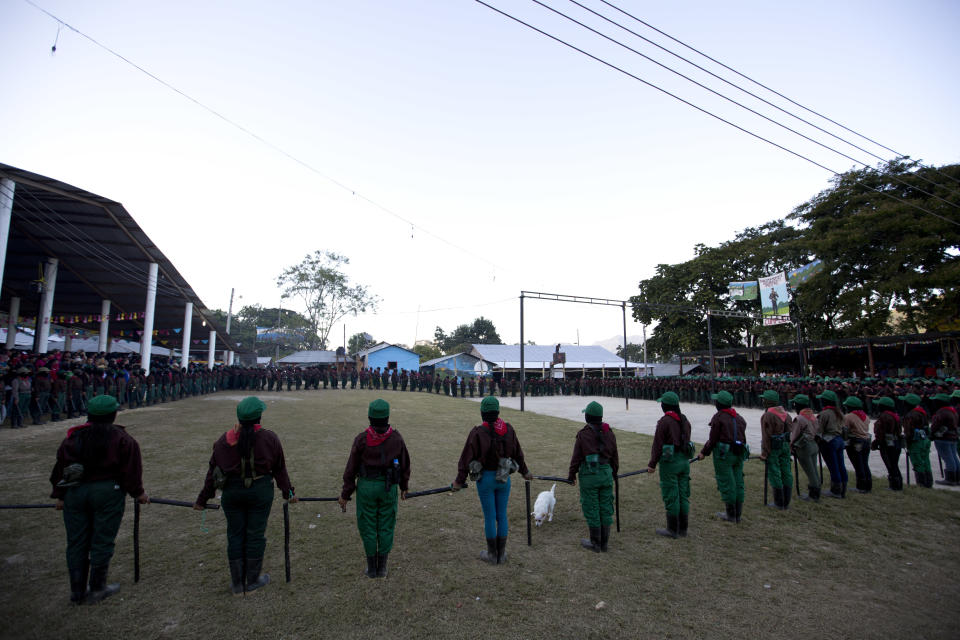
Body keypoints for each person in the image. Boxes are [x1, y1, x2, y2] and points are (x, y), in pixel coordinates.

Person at [49, 395, 148, 605]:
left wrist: (59, 496)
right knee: (102, 540)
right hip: (107, 493)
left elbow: (60, 469)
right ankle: (97, 589)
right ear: (113, 415)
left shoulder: (73, 438)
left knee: (76, 542)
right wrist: (138, 493)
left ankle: (77, 592)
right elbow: (130, 471)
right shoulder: (122, 439)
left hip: (75, 493)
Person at [194, 397, 296, 595]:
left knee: (235, 534)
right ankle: (253, 579)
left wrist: (202, 500)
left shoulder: (224, 441)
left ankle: (237, 583)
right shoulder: (269, 438)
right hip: (259, 492)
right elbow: (280, 470)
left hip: (232, 493)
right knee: (255, 534)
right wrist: (289, 493)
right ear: (259, 417)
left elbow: (212, 474)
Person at [453, 396, 531, 565]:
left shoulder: (477, 432)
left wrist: (459, 482)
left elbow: (466, 459)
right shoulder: (508, 430)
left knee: (490, 517)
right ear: (498, 412)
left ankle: (491, 554)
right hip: (503, 478)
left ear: (482, 413)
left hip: (486, 479)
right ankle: (501, 555)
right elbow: (518, 454)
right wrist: (525, 472)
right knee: (502, 515)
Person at [338, 399, 411, 578]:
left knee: (368, 525)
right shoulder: (396, 438)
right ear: (387, 417)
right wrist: (404, 486)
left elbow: (351, 469)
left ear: (370, 417)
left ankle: (372, 568)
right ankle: (383, 567)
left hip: (366, 487)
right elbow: (405, 464)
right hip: (388, 488)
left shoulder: (362, 439)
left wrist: (345, 494)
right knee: (386, 525)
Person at [567, 401, 619, 551]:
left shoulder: (583, 434)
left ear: (588, 417)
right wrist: (614, 473)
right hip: (606, 474)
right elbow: (615, 456)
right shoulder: (609, 433)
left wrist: (572, 475)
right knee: (605, 507)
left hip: (590, 475)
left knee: (592, 507)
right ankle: (604, 543)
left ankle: (595, 543)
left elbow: (576, 458)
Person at [698, 390, 748, 523]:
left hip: (724, 455)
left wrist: (704, 452)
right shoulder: (739, 417)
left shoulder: (719, 417)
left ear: (718, 404)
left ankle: (730, 515)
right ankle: (738, 514)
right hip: (738, 453)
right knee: (738, 482)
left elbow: (712, 439)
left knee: (727, 482)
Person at [647, 392, 693, 538]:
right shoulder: (684, 420)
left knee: (672, 495)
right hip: (684, 461)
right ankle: (683, 529)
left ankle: (672, 530)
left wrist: (652, 464)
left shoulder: (665, 421)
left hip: (670, 462)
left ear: (665, 406)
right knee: (683, 494)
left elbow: (658, 445)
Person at [759, 390, 793, 510]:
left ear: (768, 402)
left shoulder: (768, 415)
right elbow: (790, 433)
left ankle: (779, 502)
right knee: (786, 471)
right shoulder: (787, 414)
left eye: (764, 399)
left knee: (774, 472)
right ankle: (786, 501)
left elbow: (766, 436)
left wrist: (765, 452)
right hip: (785, 446)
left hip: (773, 447)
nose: (762, 401)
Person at [816, 389, 848, 498]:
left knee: (833, 466)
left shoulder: (824, 413)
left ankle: (836, 490)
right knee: (841, 465)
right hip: (839, 440)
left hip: (829, 441)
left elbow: (819, 430)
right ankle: (843, 488)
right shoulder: (839, 412)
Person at [789, 394, 821, 501]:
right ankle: (817, 490)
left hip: (804, 447)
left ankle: (814, 495)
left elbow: (794, 435)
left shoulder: (799, 418)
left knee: (810, 472)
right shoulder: (812, 416)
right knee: (814, 470)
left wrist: (791, 446)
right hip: (813, 445)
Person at [900, 393, 932, 488]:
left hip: (916, 441)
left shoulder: (910, 415)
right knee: (926, 461)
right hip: (925, 439)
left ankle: (921, 483)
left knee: (918, 462)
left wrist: (907, 442)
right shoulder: (922, 412)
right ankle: (929, 482)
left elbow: (908, 431)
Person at [872, 396, 903, 491]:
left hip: (887, 444)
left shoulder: (885, 417)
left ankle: (894, 485)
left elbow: (881, 432)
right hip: (896, 441)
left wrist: (876, 442)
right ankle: (898, 483)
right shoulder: (895, 415)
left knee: (891, 465)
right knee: (894, 464)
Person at [842, 396, 872, 493]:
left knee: (858, 464)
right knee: (865, 463)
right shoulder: (865, 416)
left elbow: (845, 430)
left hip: (856, 441)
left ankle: (861, 486)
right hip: (866, 441)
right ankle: (868, 485)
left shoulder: (848, 416)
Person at [930, 393, 959, 486]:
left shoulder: (942, 412)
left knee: (948, 458)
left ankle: (950, 479)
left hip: (943, 438)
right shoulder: (953, 411)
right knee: (954, 457)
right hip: (953, 437)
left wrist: (931, 434)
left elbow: (935, 425)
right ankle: (957, 477)